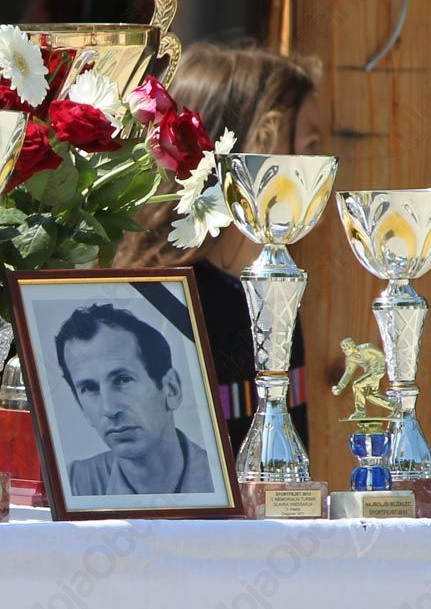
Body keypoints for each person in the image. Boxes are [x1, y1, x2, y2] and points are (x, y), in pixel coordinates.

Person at [114, 42, 322, 450]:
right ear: (260, 147)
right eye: (311, 147)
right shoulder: (156, 309)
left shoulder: (273, 292)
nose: (323, 167)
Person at [54, 303, 214, 496]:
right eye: (89, 388)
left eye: (123, 380)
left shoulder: (224, 485)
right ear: (81, 407)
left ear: (171, 390)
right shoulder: (73, 485)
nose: (109, 409)